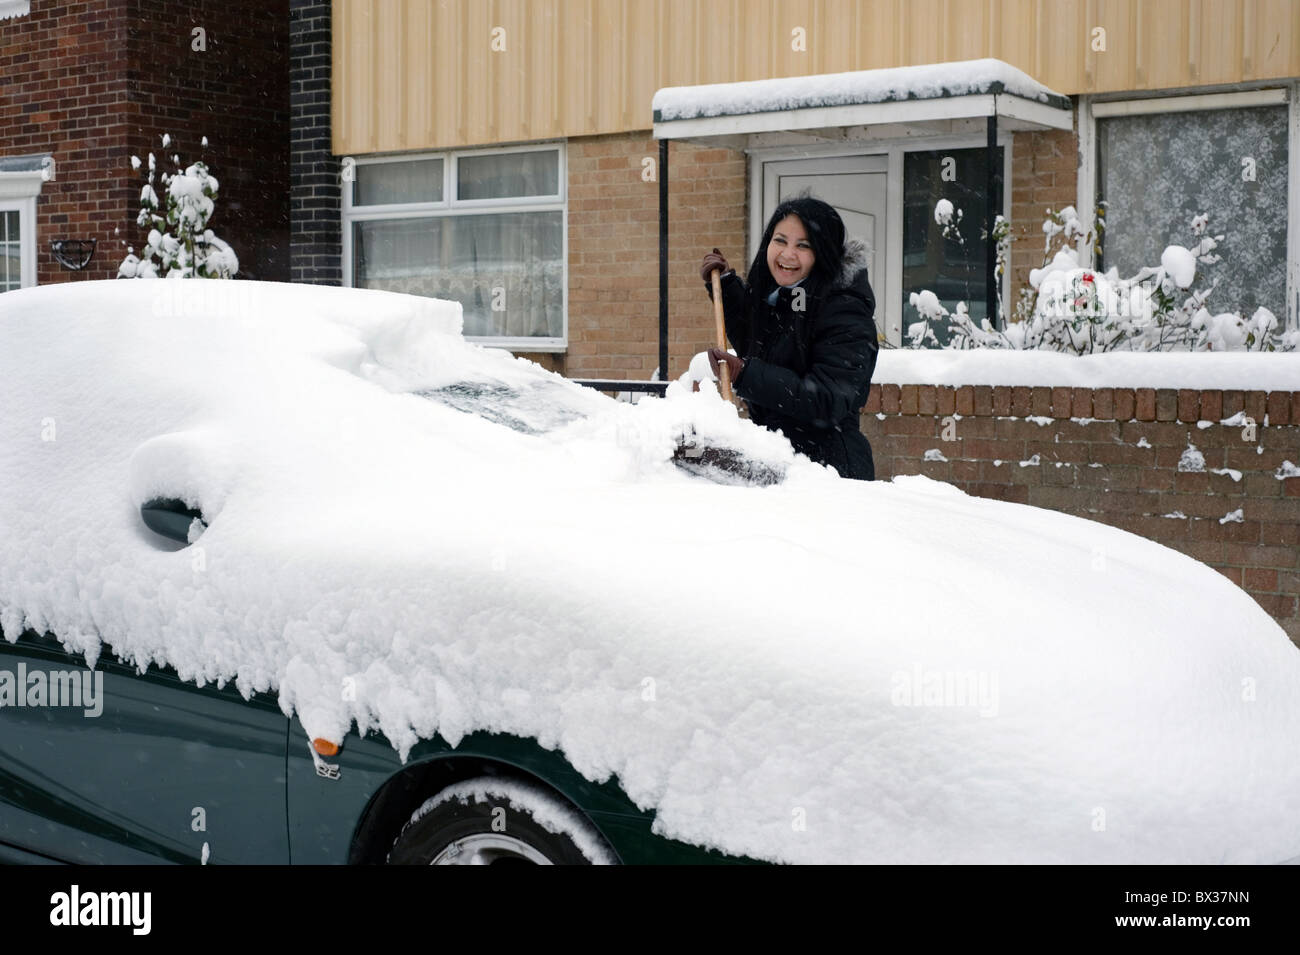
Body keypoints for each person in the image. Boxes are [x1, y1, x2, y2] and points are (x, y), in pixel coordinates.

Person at [700, 196, 879, 481]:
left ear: (823, 252)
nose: (787, 254)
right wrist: (726, 286)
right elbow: (759, 344)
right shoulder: (789, 297)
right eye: (780, 240)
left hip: (829, 472)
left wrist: (747, 374)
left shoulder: (844, 308)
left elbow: (827, 398)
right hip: (781, 461)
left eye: (803, 245)